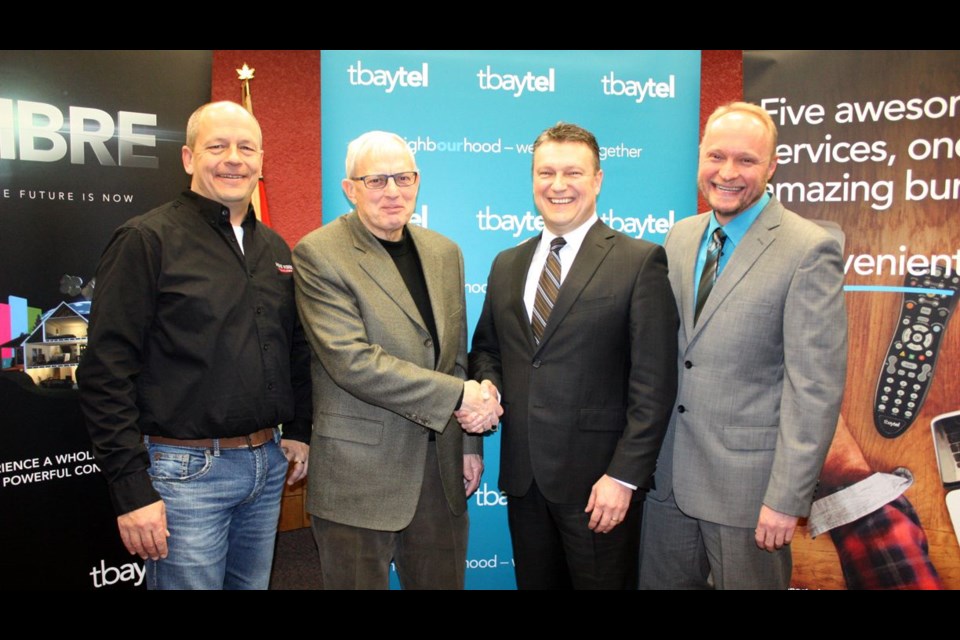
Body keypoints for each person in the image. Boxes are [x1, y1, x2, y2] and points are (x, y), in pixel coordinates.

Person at [78, 101, 312, 590]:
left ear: (262, 161)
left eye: (246, 147)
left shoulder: (275, 248)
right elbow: (105, 372)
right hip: (184, 474)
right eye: (217, 146)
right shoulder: (146, 240)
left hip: (266, 466)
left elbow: (293, 347)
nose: (234, 158)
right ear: (188, 158)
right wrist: (131, 490)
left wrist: (301, 429)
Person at [638, 102, 847, 590]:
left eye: (746, 161)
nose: (727, 173)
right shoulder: (681, 237)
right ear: (699, 158)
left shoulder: (808, 249)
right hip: (667, 481)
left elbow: (814, 388)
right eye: (716, 156)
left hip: (750, 496)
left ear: (772, 165)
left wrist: (786, 498)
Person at [468, 122, 678, 589]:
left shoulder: (639, 261)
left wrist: (623, 478)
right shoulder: (508, 263)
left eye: (572, 172)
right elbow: (487, 350)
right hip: (525, 483)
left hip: (599, 488)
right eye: (546, 173)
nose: (558, 185)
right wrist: (486, 384)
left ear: (598, 179)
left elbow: (654, 384)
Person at [292, 130, 494, 590]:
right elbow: (351, 361)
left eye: (403, 178)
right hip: (358, 478)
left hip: (441, 476)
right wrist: (459, 397)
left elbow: (454, 356)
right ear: (350, 189)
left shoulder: (445, 253)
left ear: (418, 182)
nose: (393, 192)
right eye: (377, 180)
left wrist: (468, 444)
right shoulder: (319, 253)